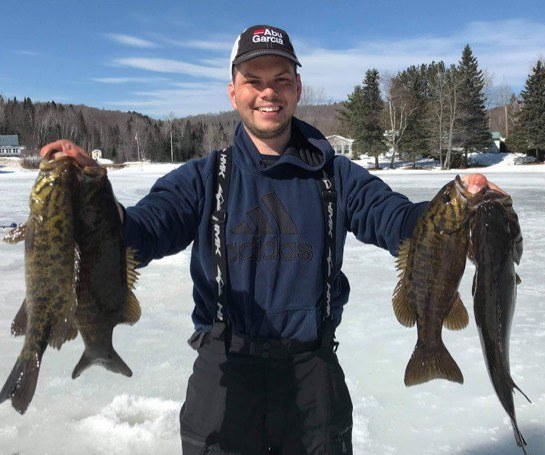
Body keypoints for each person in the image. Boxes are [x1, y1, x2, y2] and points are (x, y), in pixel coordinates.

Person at [41, 24, 499, 454]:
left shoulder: (337, 177)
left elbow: (397, 219)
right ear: (233, 92)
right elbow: (143, 232)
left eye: (280, 79)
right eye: (253, 80)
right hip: (223, 370)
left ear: (297, 89)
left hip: (311, 370)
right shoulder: (204, 178)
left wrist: (458, 217)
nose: (267, 92)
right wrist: (95, 202)